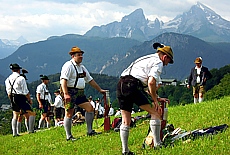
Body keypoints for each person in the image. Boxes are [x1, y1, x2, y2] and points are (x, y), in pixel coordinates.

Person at [116, 43, 174, 155]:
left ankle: (125, 151)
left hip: (121, 84)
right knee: (156, 112)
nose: (167, 64)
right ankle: (158, 144)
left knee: (125, 120)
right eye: (168, 61)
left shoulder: (146, 58)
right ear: (165, 57)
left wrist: (156, 97)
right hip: (133, 85)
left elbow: (145, 87)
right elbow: (151, 82)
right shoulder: (158, 62)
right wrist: (155, 101)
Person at [60, 46, 106, 141]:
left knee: (90, 108)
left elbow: (90, 80)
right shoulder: (68, 66)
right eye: (78, 55)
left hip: (80, 92)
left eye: (81, 55)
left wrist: (100, 90)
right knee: (69, 113)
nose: (81, 56)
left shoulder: (82, 67)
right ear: (73, 56)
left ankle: (90, 131)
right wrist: (66, 94)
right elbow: (63, 80)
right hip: (70, 91)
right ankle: (69, 136)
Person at [5, 63, 35, 136]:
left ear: (12, 70)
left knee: (15, 115)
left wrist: (11, 100)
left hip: (12, 96)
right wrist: (29, 100)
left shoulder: (7, 79)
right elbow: (25, 91)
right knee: (32, 113)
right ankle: (31, 130)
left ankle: (14, 133)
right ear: (19, 70)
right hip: (20, 97)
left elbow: (8, 92)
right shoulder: (21, 78)